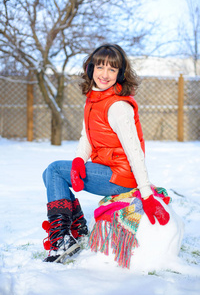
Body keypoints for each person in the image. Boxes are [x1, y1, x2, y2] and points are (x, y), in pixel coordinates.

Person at [42, 44, 170, 263]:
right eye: (100, 67)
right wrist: (78, 161)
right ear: (91, 68)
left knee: (54, 171)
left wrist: (146, 194)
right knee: (50, 172)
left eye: (112, 69)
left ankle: (64, 239)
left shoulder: (118, 106)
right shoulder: (94, 99)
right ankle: (78, 228)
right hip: (107, 169)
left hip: (121, 176)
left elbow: (135, 152)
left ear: (120, 74)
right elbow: (86, 137)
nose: (105, 74)